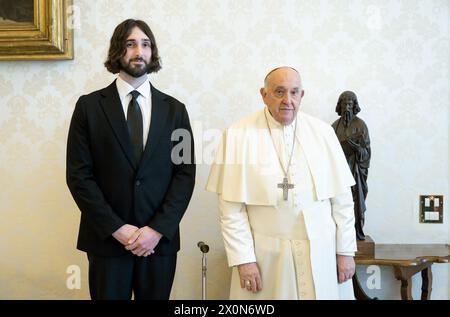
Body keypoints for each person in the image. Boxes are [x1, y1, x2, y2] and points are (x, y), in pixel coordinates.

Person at [66, 19, 195, 300]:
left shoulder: (176, 111)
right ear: (117, 51)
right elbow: (78, 176)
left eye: (146, 44)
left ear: (153, 52)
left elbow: (184, 175)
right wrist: (117, 229)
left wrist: (157, 230)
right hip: (107, 242)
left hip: (158, 244)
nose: (140, 51)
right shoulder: (88, 107)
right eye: (131, 44)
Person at [206, 67, 357, 299]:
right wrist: (244, 260)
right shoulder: (237, 135)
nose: (288, 100)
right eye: (279, 92)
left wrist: (345, 252)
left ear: (302, 95)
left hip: (321, 253)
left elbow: (343, 202)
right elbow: (231, 211)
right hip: (267, 256)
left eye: (294, 92)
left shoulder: (323, 133)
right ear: (263, 94)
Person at [332, 91, 371, 241]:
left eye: (350, 104)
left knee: (356, 204)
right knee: (338, 204)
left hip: (355, 172)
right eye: (344, 104)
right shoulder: (334, 127)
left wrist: (356, 148)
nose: (347, 107)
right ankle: (341, 236)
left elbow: (366, 152)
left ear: (354, 106)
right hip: (339, 174)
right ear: (340, 105)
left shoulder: (361, 126)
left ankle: (356, 231)